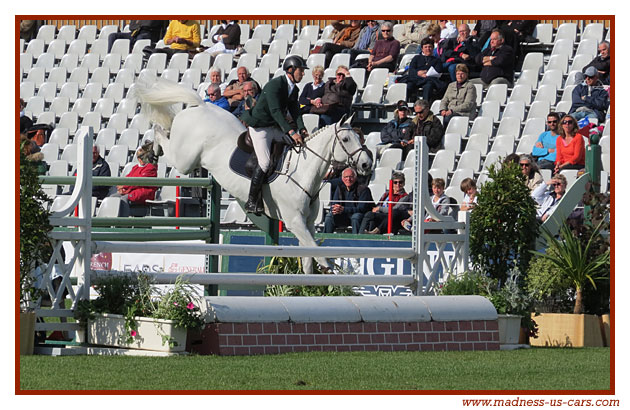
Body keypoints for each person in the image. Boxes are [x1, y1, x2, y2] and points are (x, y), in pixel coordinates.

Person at [239, 55, 308, 214]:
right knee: (264, 163)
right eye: (301, 70)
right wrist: (291, 131)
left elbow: (295, 110)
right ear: (290, 70)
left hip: (273, 126)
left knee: (291, 146)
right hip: (260, 127)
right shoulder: (274, 85)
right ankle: (251, 201)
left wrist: (302, 128)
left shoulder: (293, 89)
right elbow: (276, 111)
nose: (303, 74)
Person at [112, 144, 158, 217]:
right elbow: (128, 179)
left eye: (142, 157)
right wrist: (122, 187)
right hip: (133, 190)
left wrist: (125, 187)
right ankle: (110, 222)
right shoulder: (135, 167)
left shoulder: (151, 167)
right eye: (139, 157)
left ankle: (123, 225)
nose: (141, 159)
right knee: (113, 197)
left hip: (145, 192)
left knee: (124, 199)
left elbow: (140, 182)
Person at [324, 167, 374, 234]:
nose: (348, 179)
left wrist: (343, 209)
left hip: (359, 217)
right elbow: (334, 204)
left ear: (355, 178)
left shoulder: (364, 189)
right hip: (344, 216)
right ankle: (325, 239)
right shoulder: (339, 188)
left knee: (356, 217)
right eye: (346, 177)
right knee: (329, 216)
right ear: (342, 178)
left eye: (351, 177)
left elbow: (361, 209)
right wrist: (335, 209)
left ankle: (356, 240)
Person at [404, 37, 445, 102]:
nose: (428, 49)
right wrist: (418, 73)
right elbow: (411, 70)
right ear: (422, 48)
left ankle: (425, 106)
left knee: (428, 86)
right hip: (416, 79)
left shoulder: (437, 60)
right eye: (425, 47)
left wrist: (425, 73)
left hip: (429, 80)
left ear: (433, 48)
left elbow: (438, 71)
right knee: (409, 86)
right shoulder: (416, 58)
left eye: (430, 47)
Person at [439, 64, 477, 128]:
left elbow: (468, 105)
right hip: (449, 112)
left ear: (466, 74)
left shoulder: (470, 87)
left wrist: (452, 110)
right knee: (435, 119)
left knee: (447, 119)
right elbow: (444, 100)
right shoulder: (451, 85)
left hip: (463, 113)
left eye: (462, 74)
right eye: (458, 74)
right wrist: (443, 110)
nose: (460, 76)